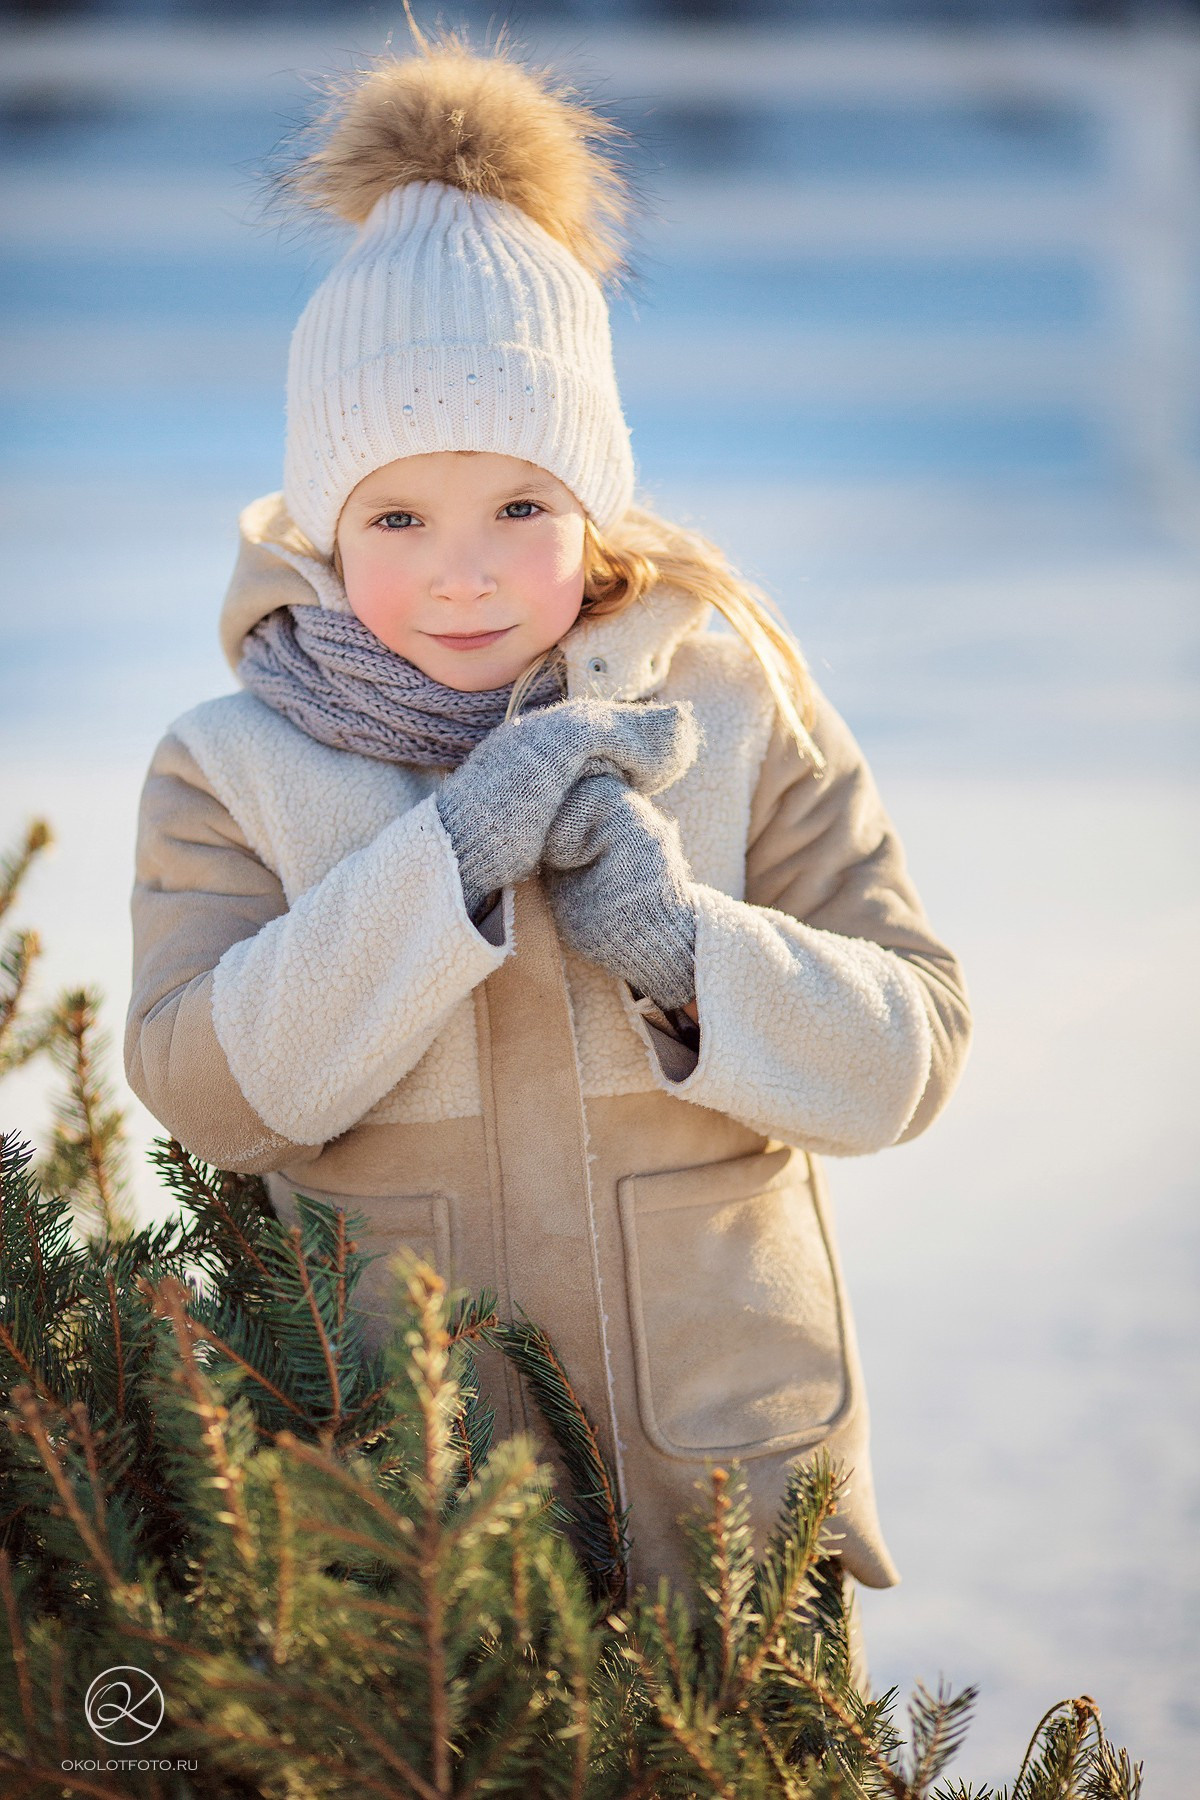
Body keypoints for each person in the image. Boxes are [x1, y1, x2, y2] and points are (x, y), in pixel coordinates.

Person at [125, 37, 971, 1631]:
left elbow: (912, 1048)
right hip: (410, 1516)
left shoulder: (730, 707)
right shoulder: (230, 768)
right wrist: (440, 864)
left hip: (730, 1498)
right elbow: (205, 1089)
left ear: (596, 509)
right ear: (322, 526)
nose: (462, 571)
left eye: (520, 506)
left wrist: (689, 959)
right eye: (397, 518)